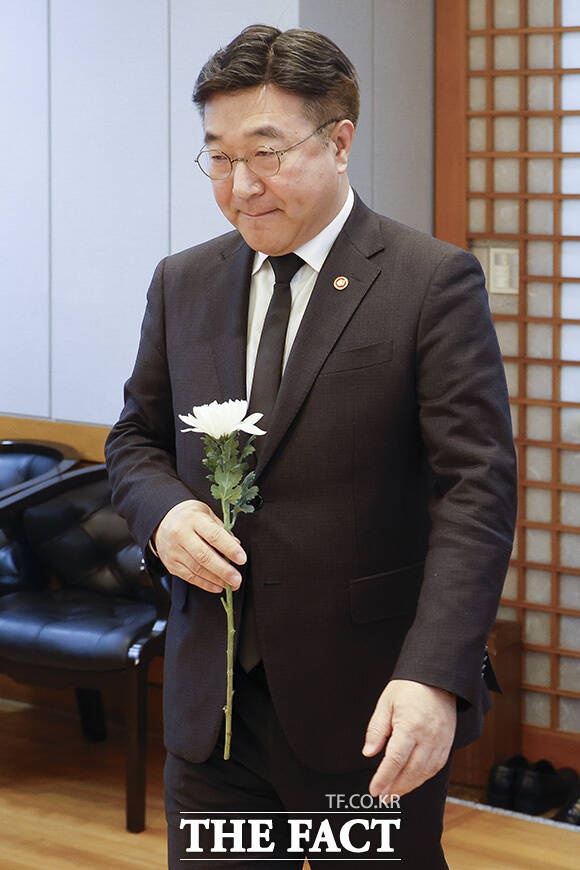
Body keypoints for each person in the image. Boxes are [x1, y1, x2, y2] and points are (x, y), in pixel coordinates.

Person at [105, 24, 517, 869]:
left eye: (266, 153)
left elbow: (475, 492)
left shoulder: (427, 281)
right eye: (217, 158)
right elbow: (135, 439)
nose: (240, 187)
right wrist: (165, 513)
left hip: (369, 701)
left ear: (339, 141)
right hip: (213, 704)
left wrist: (437, 673)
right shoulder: (182, 282)